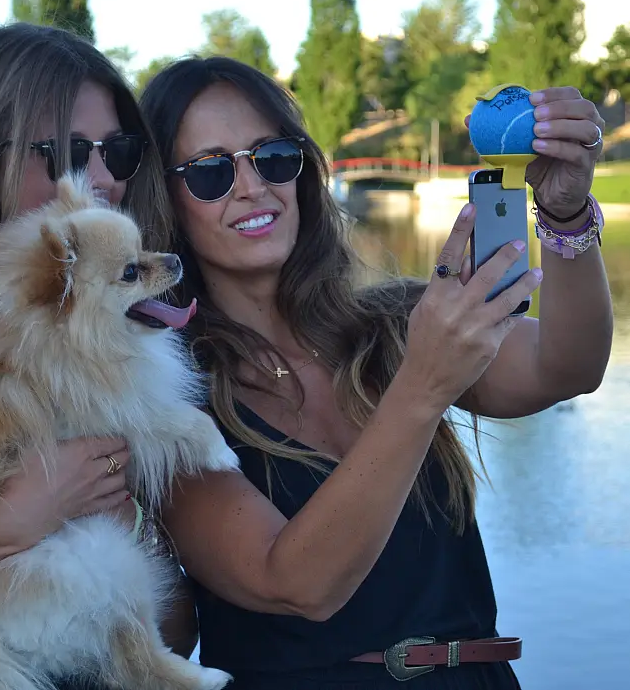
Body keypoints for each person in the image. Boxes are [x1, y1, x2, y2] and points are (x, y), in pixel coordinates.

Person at [138, 56, 614, 689]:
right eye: (210, 171)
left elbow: (569, 366)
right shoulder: (166, 401)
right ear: (165, 198)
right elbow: (298, 584)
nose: (252, 187)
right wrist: (422, 387)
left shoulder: (392, 324)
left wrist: (565, 215)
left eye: (272, 156)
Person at [0, 23, 198, 689]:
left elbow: (177, 631)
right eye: (63, 150)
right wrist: (14, 521)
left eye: (116, 150)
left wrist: (128, 535)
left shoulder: (123, 332)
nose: (98, 178)